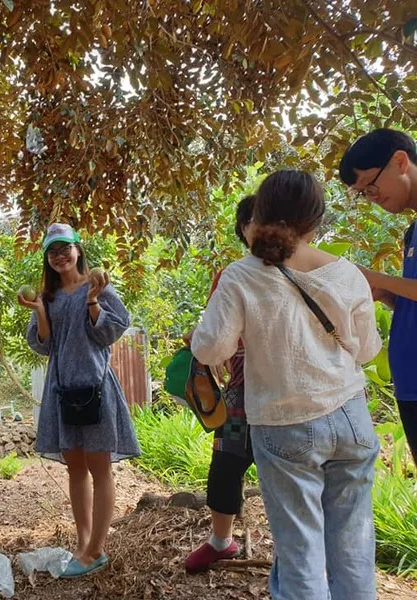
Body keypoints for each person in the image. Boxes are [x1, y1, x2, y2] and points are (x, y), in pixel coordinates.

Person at [191, 170, 381, 600]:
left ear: (259, 214)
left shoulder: (241, 275)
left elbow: (211, 349)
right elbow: (367, 350)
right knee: (353, 546)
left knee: (300, 552)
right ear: (316, 222)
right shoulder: (346, 272)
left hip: (284, 422)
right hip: (350, 417)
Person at [19, 223, 139, 579]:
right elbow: (43, 345)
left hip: (95, 386)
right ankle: (84, 544)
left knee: (100, 468)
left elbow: (112, 330)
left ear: (77, 249)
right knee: (75, 468)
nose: (59, 256)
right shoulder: (49, 297)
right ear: (47, 258)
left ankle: (96, 549)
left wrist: (92, 301)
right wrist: (40, 310)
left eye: (64, 248)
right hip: (61, 390)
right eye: (52, 252)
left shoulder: (97, 285)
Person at [184, 195, 255, 574]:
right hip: (241, 390)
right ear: (244, 230)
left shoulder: (305, 271)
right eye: (252, 222)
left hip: (288, 395)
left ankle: (302, 553)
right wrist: (199, 339)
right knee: (226, 464)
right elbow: (214, 334)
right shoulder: (232, 275)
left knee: (287, 472)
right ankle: (220, 541)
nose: (261, 228)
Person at [339, 128, 417, 462]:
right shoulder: (411, 232)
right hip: (410, 384)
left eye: (371, 186)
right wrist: (384, 292)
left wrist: (372, 276)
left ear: (400, 161)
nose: (372, 197)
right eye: (362, 194)